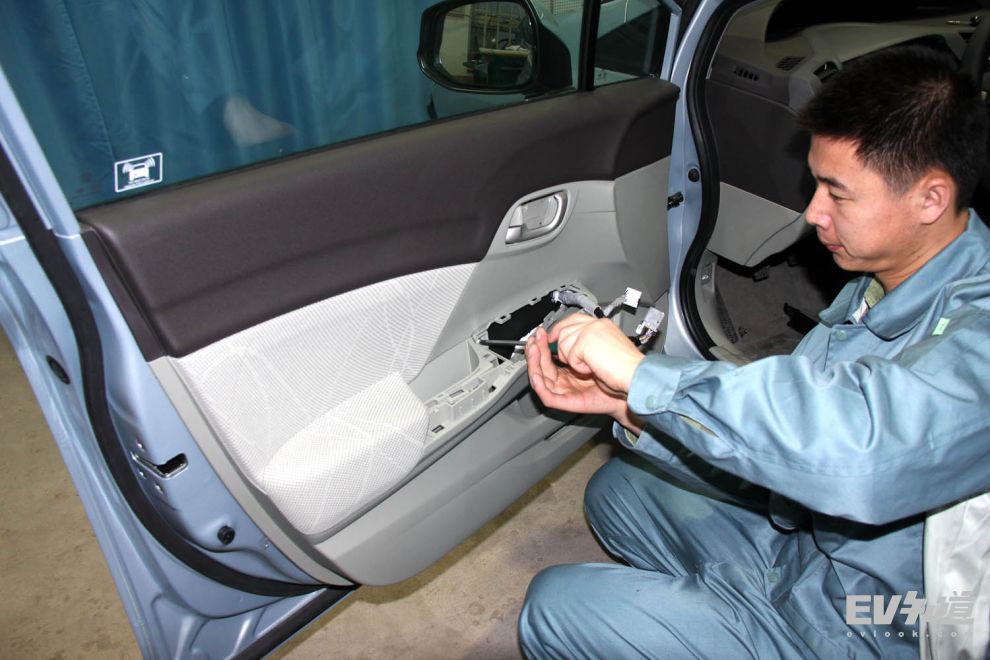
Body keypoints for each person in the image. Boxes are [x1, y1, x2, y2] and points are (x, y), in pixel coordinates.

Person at [518, 45, 990, 659]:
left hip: (880, 625)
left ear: (930, 199)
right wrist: (628, 406)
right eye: (816, 183)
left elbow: (857, 454)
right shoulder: (881, 284)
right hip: (813, 550)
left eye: (837, 193)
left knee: (555, 609)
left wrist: (642, 375)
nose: (813, 212)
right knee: (619, 492)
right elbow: (792, 457)